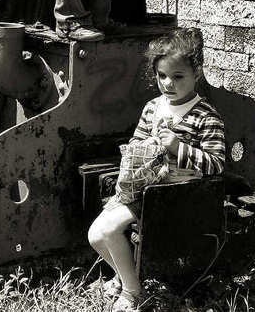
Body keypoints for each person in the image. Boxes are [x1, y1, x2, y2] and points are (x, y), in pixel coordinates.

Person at [88, 27, 225, 311]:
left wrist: (177, 147)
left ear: (197, 73)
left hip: (179, 195)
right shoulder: (153, 107)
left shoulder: (205, 116)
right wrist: (146, 147)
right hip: (145, 186)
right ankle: (125, 277)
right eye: (162, 75)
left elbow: (216, 164)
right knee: (95, 235)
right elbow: (136, 142)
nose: (168, 83)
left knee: (110, 229)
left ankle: (132, 292)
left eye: (178, 76)